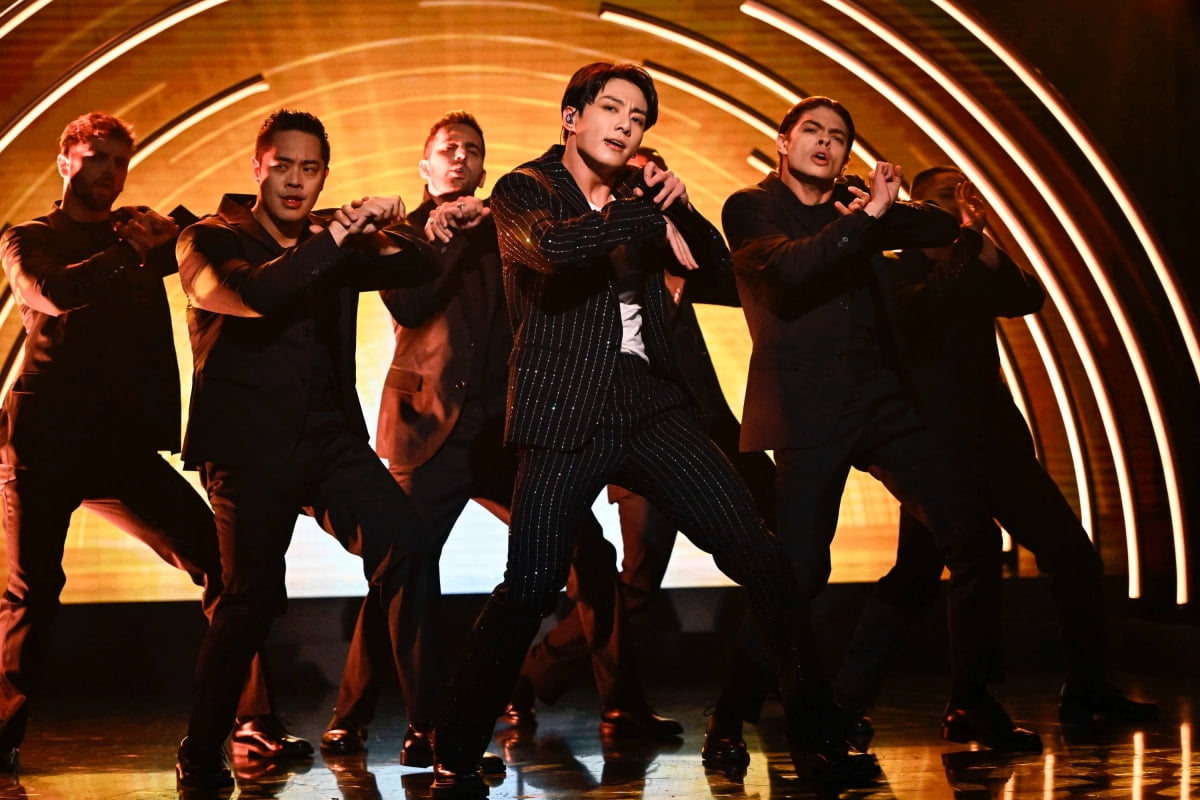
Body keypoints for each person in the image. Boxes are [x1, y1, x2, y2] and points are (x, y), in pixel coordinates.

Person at [429, 64, 878, 800]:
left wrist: (682, 211)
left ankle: (818, 741)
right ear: (572, 117)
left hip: (648, 403)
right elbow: (550, 251)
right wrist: (638, 215)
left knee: (764, 560)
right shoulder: (524, 188)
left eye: (638, 119)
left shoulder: (643, 196)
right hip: (564, 408)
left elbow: (719, 275)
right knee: (531, 586)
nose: (625, 126)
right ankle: (453, 749)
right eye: (611, 109)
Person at [718, 96, 1040, 758]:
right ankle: (731, 714)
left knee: (972, 532)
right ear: (783, 141)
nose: (825, 143)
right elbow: (787, 271)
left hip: (879, 401)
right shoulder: (751, 207)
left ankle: (971, 699)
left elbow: (935, 226)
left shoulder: (857, 205)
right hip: (806, 408)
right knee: (800, 571)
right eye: (812, 130)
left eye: (838, 136)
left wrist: (886, 206)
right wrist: (865, 220)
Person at [319, 111, 627, 768]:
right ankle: (352, 716)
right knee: (401, 569)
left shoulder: (509, 230)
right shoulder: (400, 234)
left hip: (507, 433)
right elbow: (409, 306)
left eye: (473, 149)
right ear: (425, 166)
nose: (460, 156)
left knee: (588, 551)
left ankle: (612, 703)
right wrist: (447, 235)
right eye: (448, 148)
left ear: (485, 168)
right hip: (429, 426)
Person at [0, 112, 304, 775]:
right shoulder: (30, 237)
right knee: (31, 594)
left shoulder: (139, 231)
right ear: (65, 161)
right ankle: (1, 736)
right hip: (44, 444)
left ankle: (253, 722)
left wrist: (176, 232)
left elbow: (224, 235)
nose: (110, 172)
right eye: (97, 157)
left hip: (120, 449)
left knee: (226, 570)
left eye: (120, 161)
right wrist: (133, 252)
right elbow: (52, 292)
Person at [832, 165, 1158, 729]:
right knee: (922, 575)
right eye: (944, 196)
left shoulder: (973, 261)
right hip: (933, 449)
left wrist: (980, 243)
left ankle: (1084, 687)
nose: (958, 203)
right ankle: (897, 702)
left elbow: (1026, 296)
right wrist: (964, 246)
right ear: (915, 206)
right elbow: (926, 310)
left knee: (1072, 556)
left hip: (995, 443)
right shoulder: (891, 269)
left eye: (965, 194)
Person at [172, 109, 439, 788]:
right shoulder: (207, 237)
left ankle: (433, 733)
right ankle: (200, 748)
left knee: (406, 543)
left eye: (310, 168)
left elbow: (416, 264)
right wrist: (343, 233)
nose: (295, 181)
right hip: (247, 448)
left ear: (323, 175)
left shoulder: (332, 238)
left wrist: (396, 225)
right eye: (283, 165)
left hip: (327, 442)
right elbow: (257, 293)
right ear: (258, 166)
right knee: (251, 599)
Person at [511, 148, 776, 738]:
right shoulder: (606, 258)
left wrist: (681, 211)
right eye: (633, 177)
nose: (642, 184)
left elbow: (733, 280)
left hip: (707, 430)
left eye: (653, 177)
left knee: (777, 549)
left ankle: (778, 687)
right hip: (634, 430)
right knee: (639, 578)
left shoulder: (675, 248)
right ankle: (531, 674)